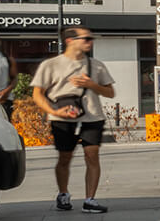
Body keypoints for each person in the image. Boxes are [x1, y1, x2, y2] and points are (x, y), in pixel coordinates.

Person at [34, 27, 115, 213]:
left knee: (92, 155)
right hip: (62, 117)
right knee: (65, 158)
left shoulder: (97, 65)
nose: (90, 42)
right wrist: (54, 112)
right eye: (86, 38)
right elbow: (37, 95)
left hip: (92, 116)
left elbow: (110, 93)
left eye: (91, 39)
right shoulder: (51, 65)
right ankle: (63, 194)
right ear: (70, 40)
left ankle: (90, 200)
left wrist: (92, 85)